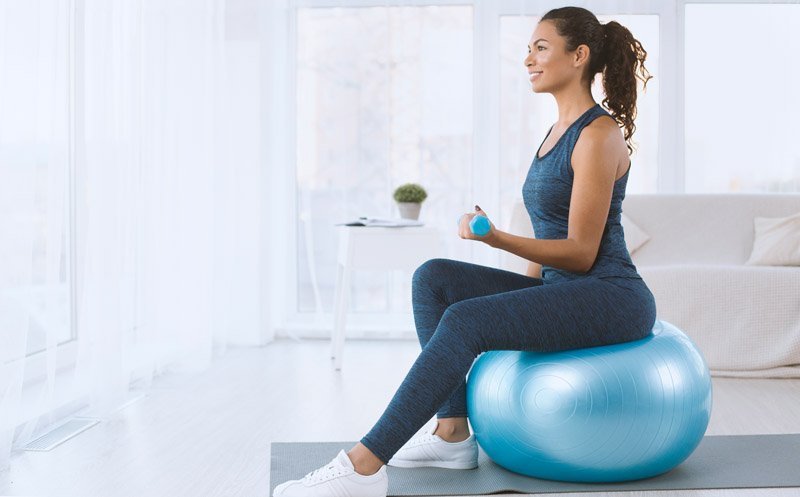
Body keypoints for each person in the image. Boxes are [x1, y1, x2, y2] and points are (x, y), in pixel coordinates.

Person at [272, 6, 655, 497]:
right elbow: (550, 232)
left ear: (579, 56)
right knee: (434, 278)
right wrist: (523, 301)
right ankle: (452, 433)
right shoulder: (557, 132)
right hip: (568, 289)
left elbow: (581, 253)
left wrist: (493, 237)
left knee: (467, 320)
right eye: (527, 49)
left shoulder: (598, 135)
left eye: (541, 48)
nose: (528, 59)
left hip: (611, 296)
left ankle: (364, 466)